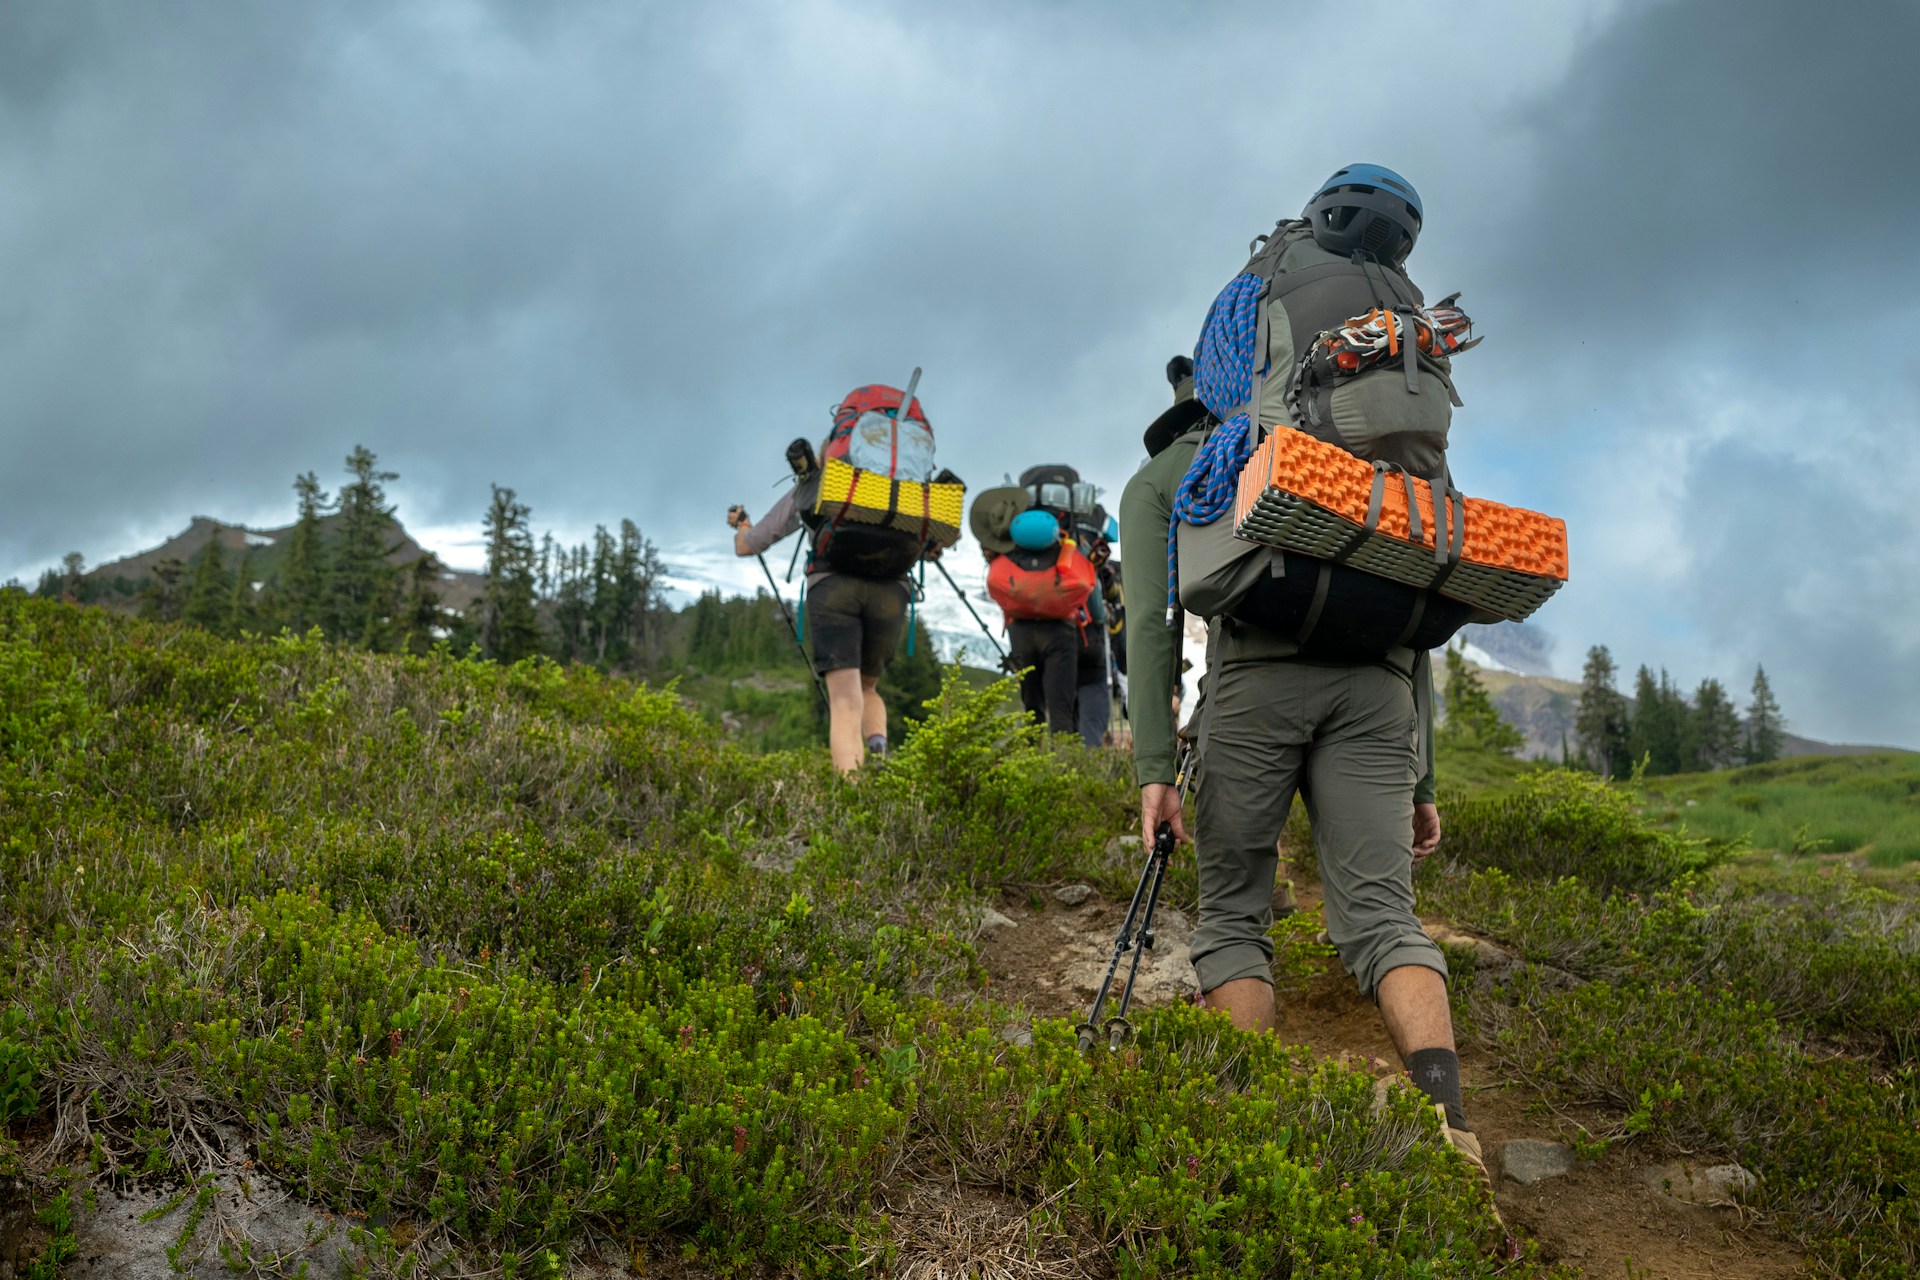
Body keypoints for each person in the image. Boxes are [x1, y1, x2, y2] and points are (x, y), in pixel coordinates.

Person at [1123, 166, 1493, 1187]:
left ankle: (1240, 1139)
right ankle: (1450, 1127)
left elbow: (1151, 624)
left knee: (1237, 913)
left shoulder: (1192, 457)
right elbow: (1419, 604)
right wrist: (1421, 777)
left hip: (1255, 676)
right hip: (1376, 687)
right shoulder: (1406, 461)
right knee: (1385, 918)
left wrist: (1157, 764)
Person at [729, 499, 908, 775]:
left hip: (832, 585)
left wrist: (742, 525)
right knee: (867, 687)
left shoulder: (816, 480)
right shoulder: (899, 485)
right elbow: (937, 542)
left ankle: (853, 798)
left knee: (845, 700)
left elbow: (748, 545)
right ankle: (880, 755)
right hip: (892, 589)